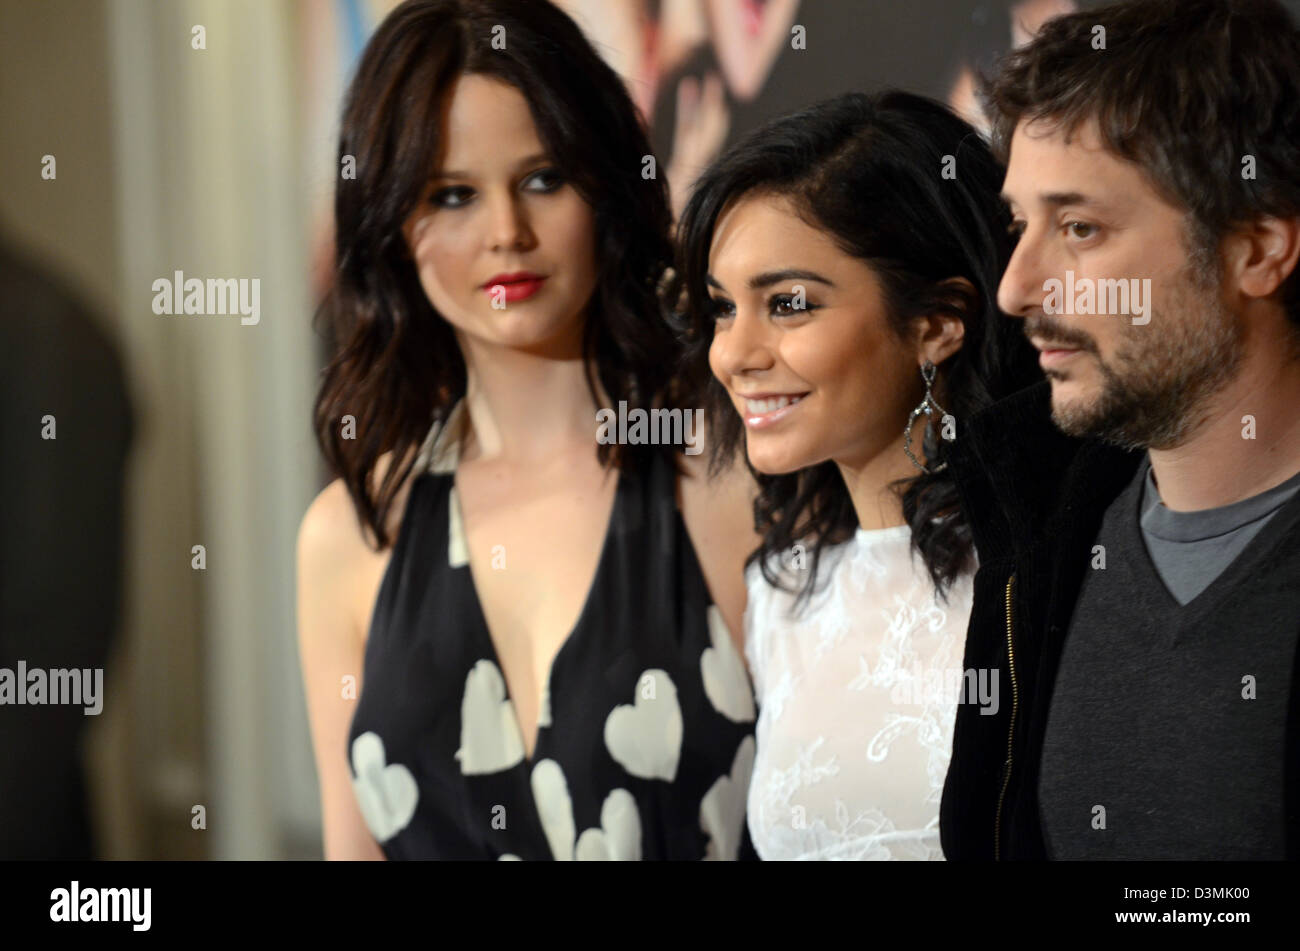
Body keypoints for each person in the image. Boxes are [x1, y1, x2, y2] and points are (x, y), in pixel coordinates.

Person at [296, 0, 758, 861]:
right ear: (393, 224)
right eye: (453, 195)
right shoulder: (349, 535)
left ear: (604, 189)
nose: (506, 232)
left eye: (543, 178)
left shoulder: (726, 483)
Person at [940, 0, 1300, 860]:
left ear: (1257, 248)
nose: (1017, 289)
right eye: (1021, 226)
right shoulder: (1039, 543)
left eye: (1079, 229)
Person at [673, 90, 1039, 859]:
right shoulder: (781, 594)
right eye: (722, 309)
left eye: (788, 304)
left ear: (937, 324)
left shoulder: (1042, 574)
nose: (735, 354)